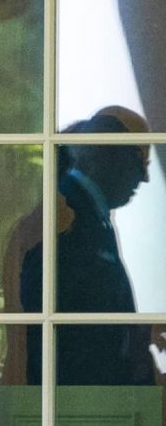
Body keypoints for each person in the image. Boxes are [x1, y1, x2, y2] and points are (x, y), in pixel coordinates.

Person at [20, 106, 153, 385]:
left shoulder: (87, 215)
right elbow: (72, 323)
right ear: (105, 152)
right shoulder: (65, 217)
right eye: (139, 157)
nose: (144, 177)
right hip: (82, 407)